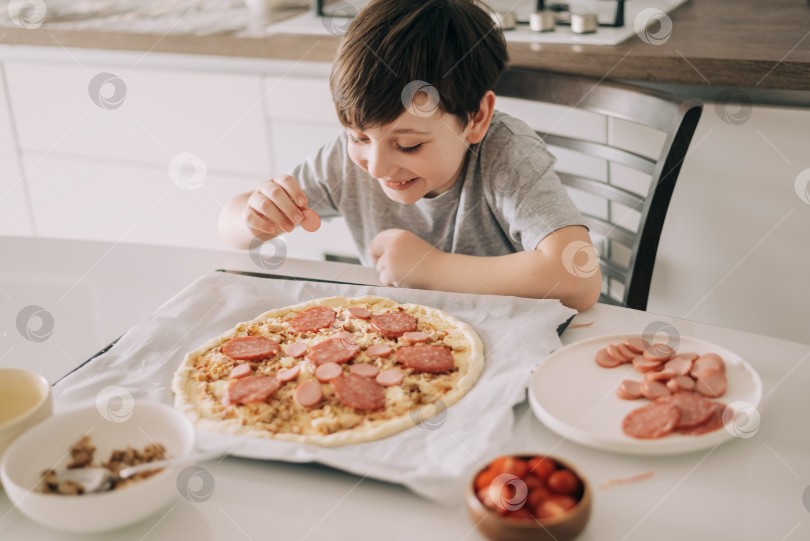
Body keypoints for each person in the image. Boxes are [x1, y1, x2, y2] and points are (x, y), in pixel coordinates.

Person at [219, 0, 602, 311]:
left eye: (409, 145)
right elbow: (231, 228)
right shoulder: (350, 159)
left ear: (477, 118)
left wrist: (432, 269)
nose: (378, 167)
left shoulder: (505, 153)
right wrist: (255, 216)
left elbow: (578, 279)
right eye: (358, 137)